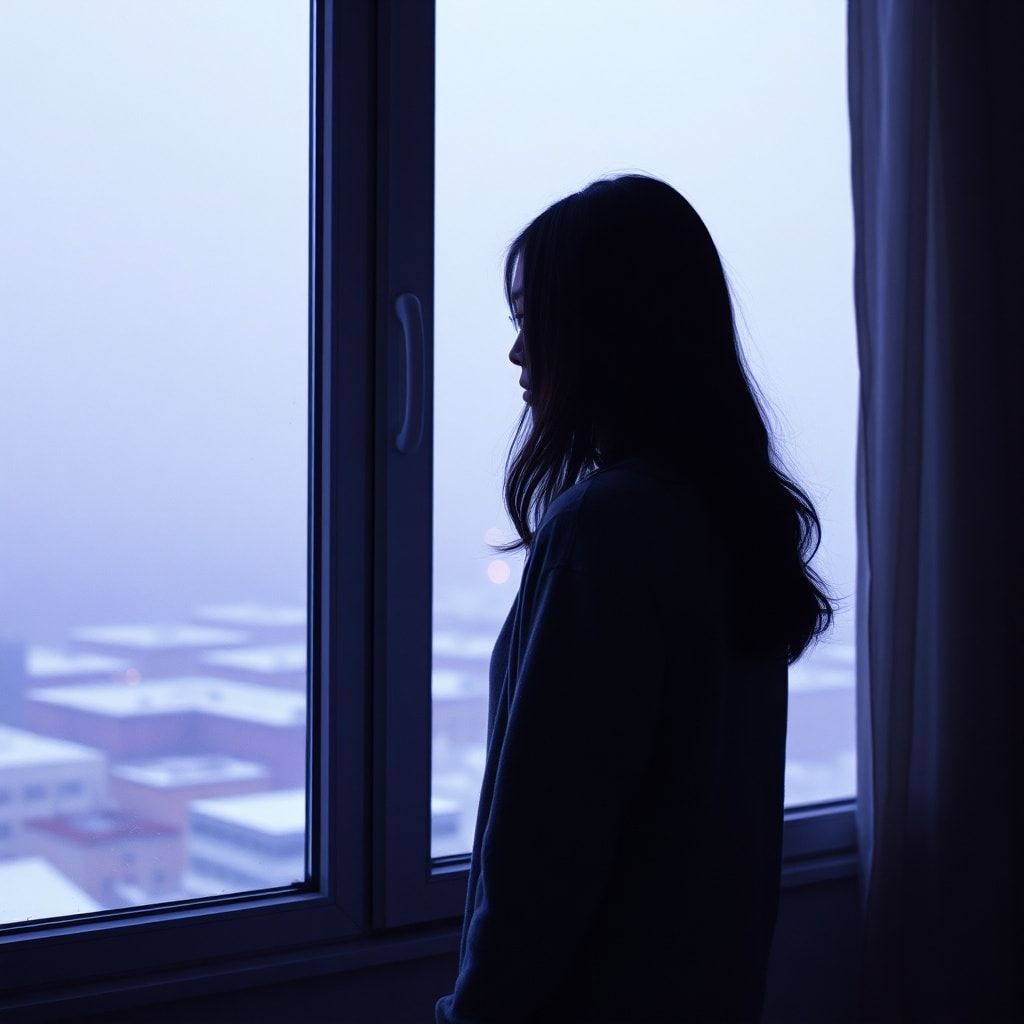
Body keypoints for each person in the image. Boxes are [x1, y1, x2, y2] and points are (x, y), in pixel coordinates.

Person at [435, 173, 835, 1024]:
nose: (516, 354)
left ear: (601, 332)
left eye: (528, 322)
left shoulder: (605, 529)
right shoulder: (731, 518)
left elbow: (543, 847)